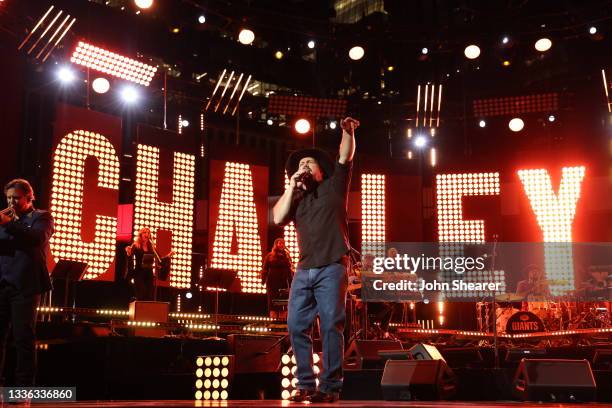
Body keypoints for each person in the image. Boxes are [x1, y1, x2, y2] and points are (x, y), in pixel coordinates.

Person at [273, 117, 359, 403]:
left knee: (331, 324)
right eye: (300, 166)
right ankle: (306, 383)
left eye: (309, 164)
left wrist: (347, 132)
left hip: (333, 265)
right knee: (296, 325)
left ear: (322, 170)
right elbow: (277, 218)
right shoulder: (295, 198)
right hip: (304, 268)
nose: (304, 168)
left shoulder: (335, 186)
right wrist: (291, 186)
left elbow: (345, 156)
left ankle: (330, 387)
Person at [0, 179, 53, 387]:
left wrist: (8, 224)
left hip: (26, 286)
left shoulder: (42, 217)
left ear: (29, 197)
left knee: (23, 339)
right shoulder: (5, 220)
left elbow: (36, 239)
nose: (12, 202)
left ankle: (23, 389)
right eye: (9, 198)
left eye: (16, 198)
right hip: (3, 284)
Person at [261, 238, 294, 318]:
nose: (281, 244)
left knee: (283, 305)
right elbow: (265, 269)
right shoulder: (270, 256)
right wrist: (263, 280)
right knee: (273, 305)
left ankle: (282, 325)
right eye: (279, 243)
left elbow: (290, 269)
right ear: (275, 245)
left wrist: (292, 282)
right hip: (272, 283)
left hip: (284, 283)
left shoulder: (287, 255)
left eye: (282, 243)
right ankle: (273, 325)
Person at [126, 227, 159, 301]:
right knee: (142, 294)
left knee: (149, 295)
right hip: (139, 273)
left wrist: (168, 256)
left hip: (149, 273)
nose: (147, 234)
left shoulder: (152, 247)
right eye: (144, 232)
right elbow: (130, 257)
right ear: (140, 235)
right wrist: (128, 253)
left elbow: (159, 258)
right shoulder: (136, 245)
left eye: (148, 233)